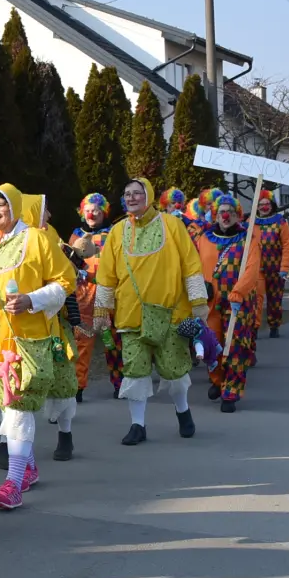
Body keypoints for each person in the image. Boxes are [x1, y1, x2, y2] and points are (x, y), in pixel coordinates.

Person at [0, 185, 78, 512]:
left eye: (0, 204)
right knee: (7, 406)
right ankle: (27, 467)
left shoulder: (37, 239)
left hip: (27, 339)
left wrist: (32, 300)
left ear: (14, 206)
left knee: (18, 406)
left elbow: (65, 280)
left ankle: (13, 483)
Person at [92, 176, 208, 446]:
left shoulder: (173, 225)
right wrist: (101, 310)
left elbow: (191, 264)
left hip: (171, 314)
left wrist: (198, 300)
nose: (131, 198)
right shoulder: (117, 232)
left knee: (176, 371)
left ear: (149, 196)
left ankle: (183, 410)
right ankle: (137, 425)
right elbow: (106, 275)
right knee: (135, 371)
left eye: (136, 193)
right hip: (131, 316)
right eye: (127, 193)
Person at [194, 193, 262, 412]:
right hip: (210, 301)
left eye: (230, 212)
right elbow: (193, 266)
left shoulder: (247, 238)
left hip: (237, 301)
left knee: (235, 347)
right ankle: (217, 379)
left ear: (237, 215)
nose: (225, 216)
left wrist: (239, 292)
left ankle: (231, 391)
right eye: (221, 212)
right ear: (215, 214)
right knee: (210, 344)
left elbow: (252, 269)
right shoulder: (204, 239)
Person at [69, 193, 121, 400]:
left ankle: (120, 382)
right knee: (82, 340)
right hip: (84, 295)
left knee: (112, 340)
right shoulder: (75, 235)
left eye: (96, 210)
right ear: (82, 213)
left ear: (103, 212)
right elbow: (69, 262)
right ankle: (77, 386)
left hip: (108, 293)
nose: (92, 213)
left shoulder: (113, 233)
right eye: (88, 210)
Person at [252, 188, 289, 338]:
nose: (264, 207)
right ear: (256, 206)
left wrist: (284, 267)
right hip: (256, 268)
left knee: (275, 299)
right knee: (256, 298)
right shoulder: (251, 222)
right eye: (261, 204)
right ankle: (254, 327)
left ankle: (274, 325)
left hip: (276, 268)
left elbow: (288, 245)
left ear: (272, 205)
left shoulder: (280, 222)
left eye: (267, 204)